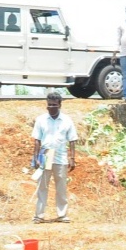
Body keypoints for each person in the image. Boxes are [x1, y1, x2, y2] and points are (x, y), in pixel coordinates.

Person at [30, 91, 78, 224]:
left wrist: (72, 158)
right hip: (45, 156)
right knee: (42, 187)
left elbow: (72, 140)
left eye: (54, 105)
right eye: (49, 105)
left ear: (59, 105)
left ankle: (62, 215)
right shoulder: (41, 119)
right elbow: (37, 140)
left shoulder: (67, 120)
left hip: (61, 157)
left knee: (61, 187)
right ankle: (39, 216)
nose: (51, 107)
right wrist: (35, 158)